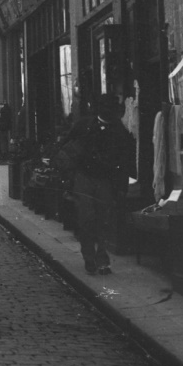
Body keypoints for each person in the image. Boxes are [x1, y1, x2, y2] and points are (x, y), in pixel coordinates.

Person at [58, 94, 135, 276]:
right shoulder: (83, 126)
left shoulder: (119, 131)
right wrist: (68, 177)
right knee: (87, 218)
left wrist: (121, 188)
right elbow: (65, 148)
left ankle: (102, 258)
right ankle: (89, 257)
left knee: (103, 219)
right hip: (83, 178)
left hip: (105, 180)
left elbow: (124, 162)